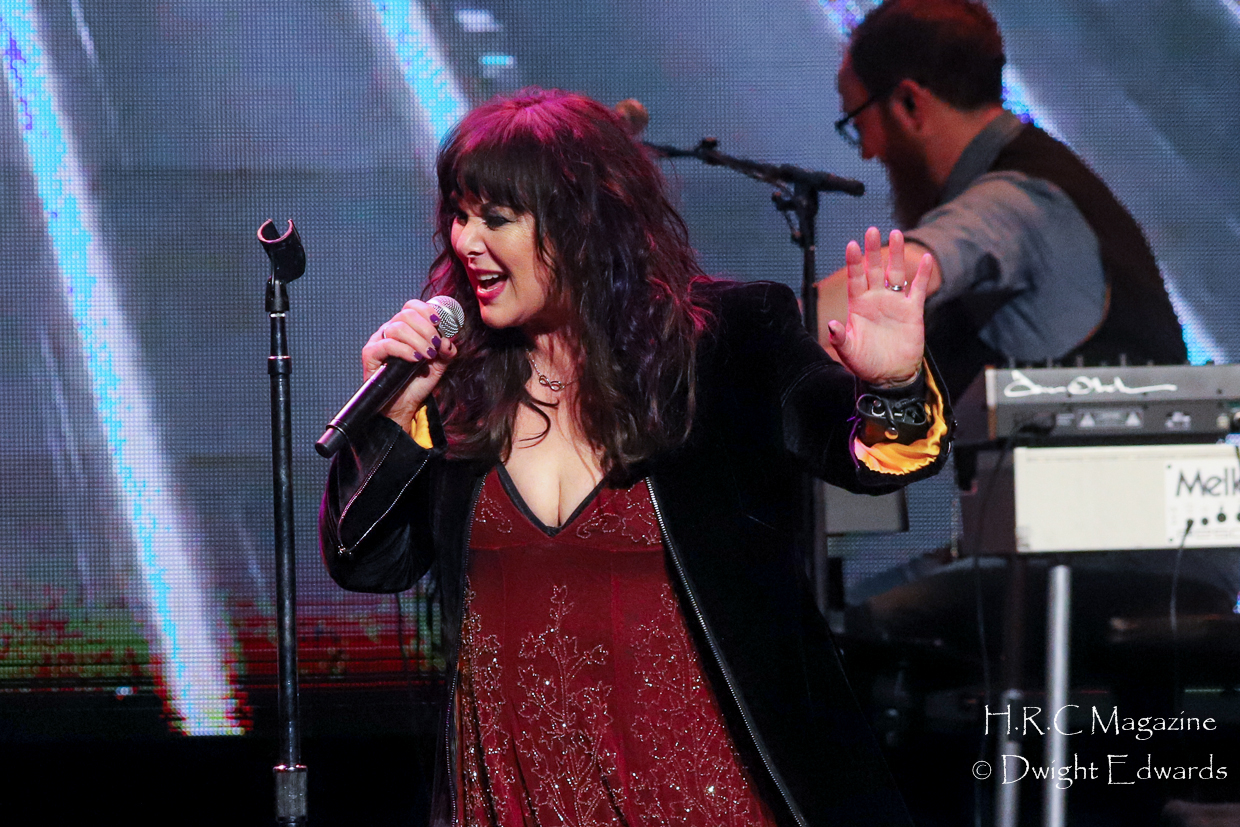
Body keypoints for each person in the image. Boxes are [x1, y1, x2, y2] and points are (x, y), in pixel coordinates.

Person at [319, 87, 951, 827]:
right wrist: (392, 417)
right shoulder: (458, 383)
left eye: (496, 218)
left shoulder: (729, 342)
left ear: (581, 218)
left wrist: (894, 385)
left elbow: (874, 458)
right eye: (459, 215)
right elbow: (366, 562)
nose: (466, 241)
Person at [816, 0, 1186, 401]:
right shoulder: (1039, 173)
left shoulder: (1018, 200)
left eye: (858, 125)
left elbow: (920, 262)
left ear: (910, 104)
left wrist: (777, 331)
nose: (867, 152)